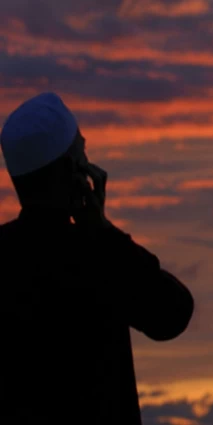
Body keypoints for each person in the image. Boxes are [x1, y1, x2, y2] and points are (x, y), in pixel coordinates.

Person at [0, 92, 195, 424]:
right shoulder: (97, 258)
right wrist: (102, 230)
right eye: (83, 150)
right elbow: (173, 313)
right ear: (76, 171)